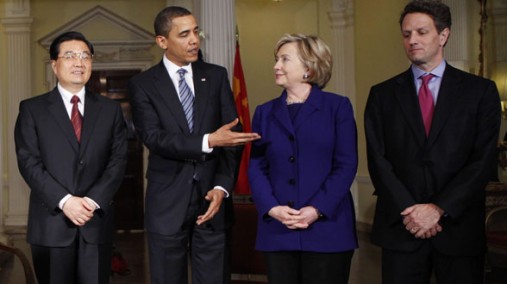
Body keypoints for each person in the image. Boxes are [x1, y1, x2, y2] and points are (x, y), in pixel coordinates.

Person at [364, 1, 501, 283]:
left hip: (458, 228)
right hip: (402, 228)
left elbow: (483, 160)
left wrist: (438, 209)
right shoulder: (382, 94)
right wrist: (412, 213)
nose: (412, 40)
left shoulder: (480, 91)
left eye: (421, 32)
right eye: (406, 34)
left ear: (443, 35)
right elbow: (378, 160)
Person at [128, 6, 260, 284]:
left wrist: (223, 187)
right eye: (184, 34)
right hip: (167, 204)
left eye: (196, 31)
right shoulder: (143, 84)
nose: (194, 40)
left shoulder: (215, 76)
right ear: (162, 41)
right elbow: (154, 138)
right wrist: (208, 141)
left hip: (212, 202)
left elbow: (231, 139)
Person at [14, 31, 128, 284]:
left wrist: (91, 201)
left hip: (95, 222)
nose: (79, 62)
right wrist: (65, 201)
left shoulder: (110, 110)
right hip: (51, 225)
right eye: (70, 56)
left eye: (85, 56)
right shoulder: (32, 109)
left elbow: (118, 160)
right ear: (54, 65)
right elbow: (29, 162)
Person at [248, 34, 358, 284]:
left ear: (309, 67)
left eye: (285, 59)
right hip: (278, 228)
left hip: (327, 228)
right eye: (276, 59)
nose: (276, 66)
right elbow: (256, 165)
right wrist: (272, 208)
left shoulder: (338, 107)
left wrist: (316, 209)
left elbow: (346, 164)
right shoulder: (264, 112)